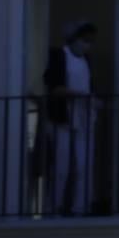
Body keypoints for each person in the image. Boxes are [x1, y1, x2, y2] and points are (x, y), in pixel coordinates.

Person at [42, 20, 98, 216]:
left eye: (90, 41)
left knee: (84, 165)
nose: (87, 45)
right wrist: (79, 95)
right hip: (62, 118)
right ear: (73, 39)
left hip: (83, 119)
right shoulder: (59, 56)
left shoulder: (87, 61)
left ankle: (80, 207)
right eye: (84, 40)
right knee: (61, 166)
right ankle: (53, 207)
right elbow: (54, 87)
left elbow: (90, 87)